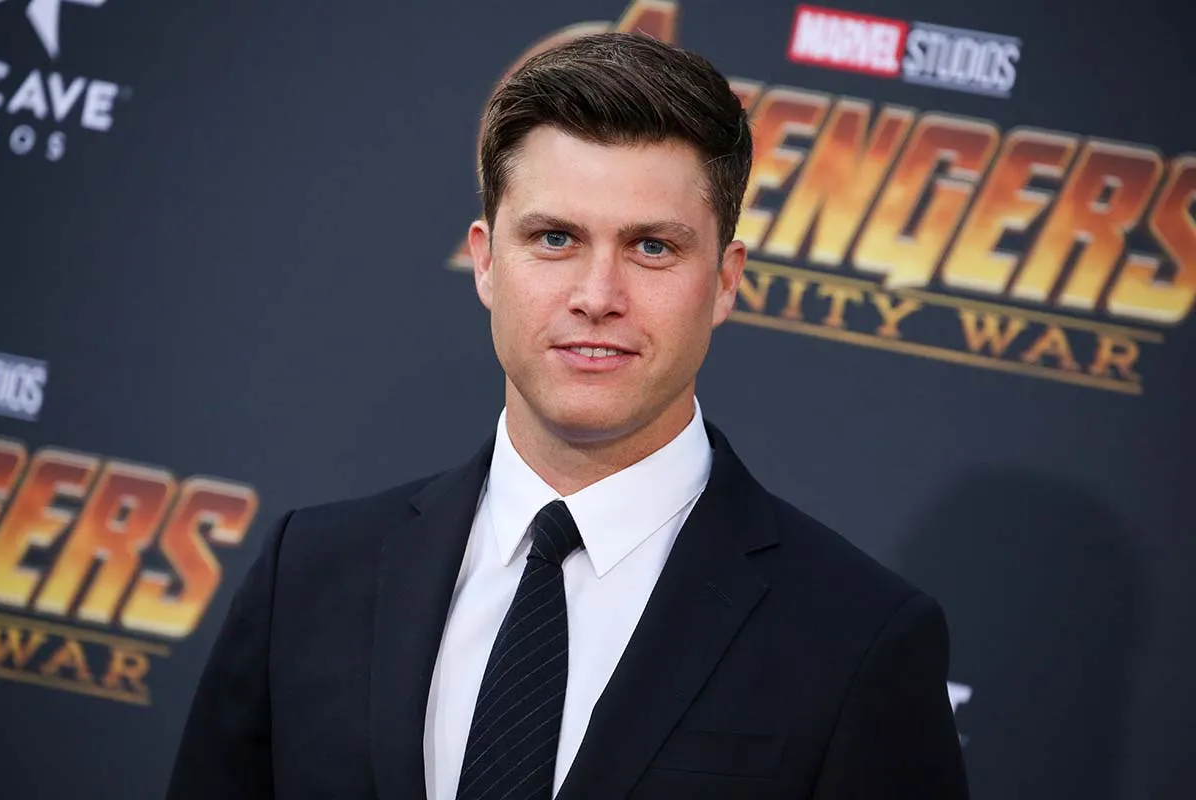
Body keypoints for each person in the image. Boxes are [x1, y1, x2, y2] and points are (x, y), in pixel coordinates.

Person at [167, 32, 969, 800]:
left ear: (726, 281)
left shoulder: (857, 638)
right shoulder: (309, 576)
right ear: (486, 260)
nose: (597, 295)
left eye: (652, 247)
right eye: (555, 238)